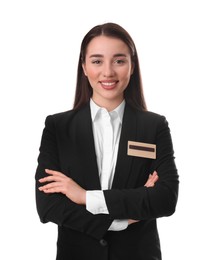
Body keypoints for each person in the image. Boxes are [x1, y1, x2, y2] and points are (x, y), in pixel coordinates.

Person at [35, 22, 179, 260]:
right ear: (84, 67)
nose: (108, 72)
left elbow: (165, 199)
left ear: (132, 66)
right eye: (97, 61)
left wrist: (84, 197)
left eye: (119, 61)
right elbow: (48, 206)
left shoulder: (154, 127)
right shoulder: (58, 127)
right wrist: (119, 220)